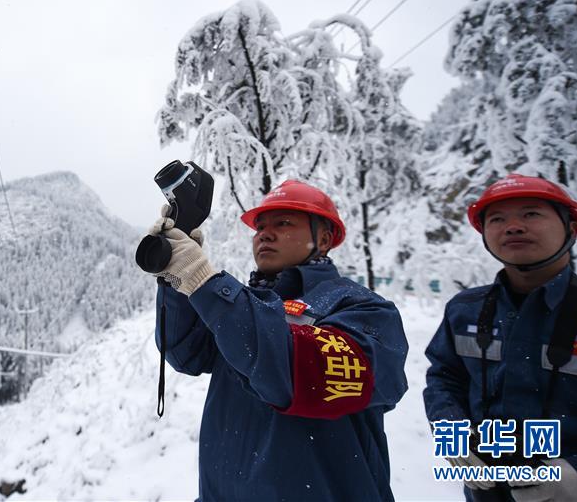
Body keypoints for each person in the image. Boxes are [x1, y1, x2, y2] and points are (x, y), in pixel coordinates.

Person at [151, 179, 409, 501]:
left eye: (283, 223)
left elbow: (301, 372)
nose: (265, 234)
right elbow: (185, 352)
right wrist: (178, 283)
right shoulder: (244, 306)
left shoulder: (364, 309)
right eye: (259, 228)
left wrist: (206, 284)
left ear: (325, 239)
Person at [423, 174, 577, 501]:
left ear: (571, 229)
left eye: (531, 214)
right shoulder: (465, 311)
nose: (512, 227)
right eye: (497, 219)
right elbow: (445, 378)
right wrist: (452, 431)